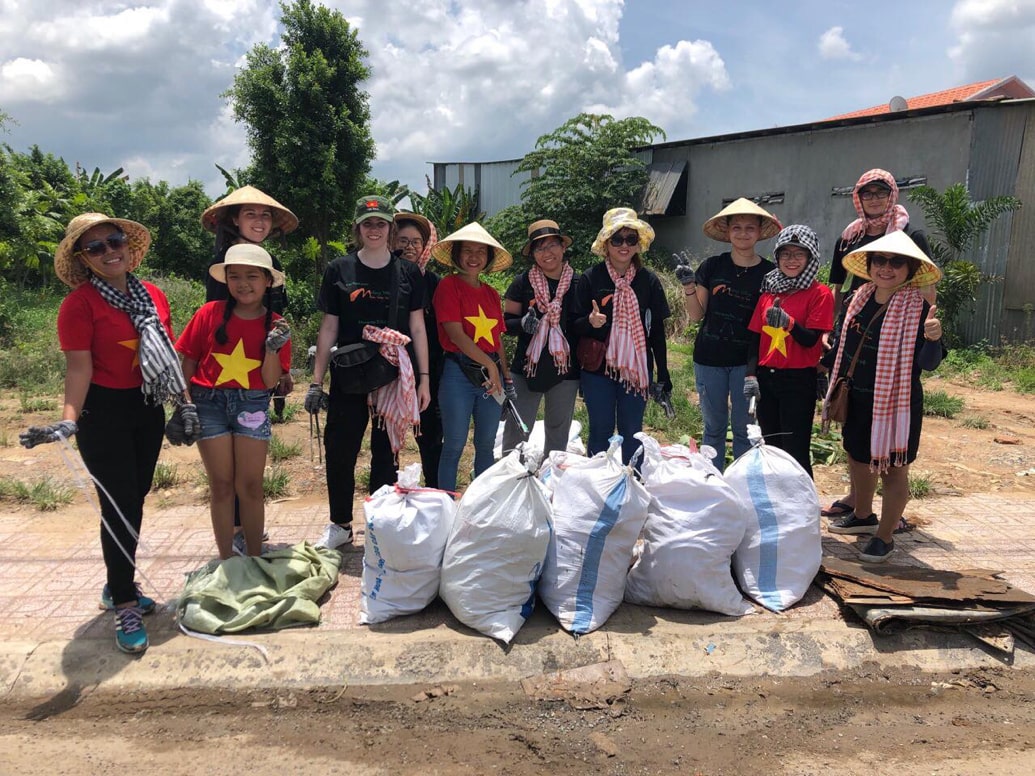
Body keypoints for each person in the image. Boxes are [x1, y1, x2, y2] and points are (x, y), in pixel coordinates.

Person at [20, 213, 195, 655]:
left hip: (147, 408)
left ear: (127, 246)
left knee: (134, 498)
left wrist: (185, 406)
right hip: (103, 415)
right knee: (117, 507)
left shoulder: (153, 295)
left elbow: (169, 357)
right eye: (95, 247)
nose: (109, 250)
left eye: (113, 240)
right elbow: (79, 367)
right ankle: (124, 601)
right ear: (84, 260)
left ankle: (116, 583)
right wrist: (68, 419)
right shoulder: (79, 305)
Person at [307, 196, 430, 550]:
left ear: (390, 229)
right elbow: (328, 327)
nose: (374, 230)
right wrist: (316, 382)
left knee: (385, 450)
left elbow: (417, 328)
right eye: (367, 223)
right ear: (358, 228)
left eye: (380, 223)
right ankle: (340, 524)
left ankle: (379, 522)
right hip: (349, 373)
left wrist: (423, 380)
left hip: (393, 372)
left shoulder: (408, 273)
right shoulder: (339, 270)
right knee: (340, 448)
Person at [821, 231, 945, 562]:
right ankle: (863, 515)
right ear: (870, 264)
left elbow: (929, 364)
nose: (886, 268)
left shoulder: (918, 308)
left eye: (896, 262)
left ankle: (885, 536)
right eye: (880, 260)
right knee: (857, 456)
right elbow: (844, 347)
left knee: (893, 469)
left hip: (895, 404)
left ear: (910, 269)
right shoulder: (857, 300)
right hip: (857, 397)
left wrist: (933, 337)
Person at [822, 169, 935, 520]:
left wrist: (928, 326)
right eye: (866, 192)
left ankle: (890, 516)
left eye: (880, 192)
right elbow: (838, 286)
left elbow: (928, 287)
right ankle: (859, 500)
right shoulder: (850, 236)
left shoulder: (909, 233)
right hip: (858, 324)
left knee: (888, 428)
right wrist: (833, 327)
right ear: (858, 197)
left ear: (892, 195)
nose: (873, 198)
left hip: (897, 327)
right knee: (855, 432)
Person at [175, 244, 291, 559]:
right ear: (225, 279)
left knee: (251, 486)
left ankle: (254, 558)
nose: (243, 283)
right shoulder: (208, 313)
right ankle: (227, 561)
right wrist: (183, 403)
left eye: (252, 276)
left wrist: (271, 348)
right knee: (222, 486)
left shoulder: (277, 325)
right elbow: (187, 360)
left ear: (268, 280)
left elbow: (270, 382)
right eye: (235, 276)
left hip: (252, 404)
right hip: (207, 402)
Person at [201, 185, 299, 554]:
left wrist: (282, 365)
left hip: (260, 365)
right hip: (228, 376)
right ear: (234, 220)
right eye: (250, 214)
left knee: (248, 466)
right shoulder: (226, 261)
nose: (259, 221)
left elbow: (273, 321)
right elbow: (217, 328)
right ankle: (238, 532)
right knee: (231, 472)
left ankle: (245, 531)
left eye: (265, 215)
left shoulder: (266, 258)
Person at [678, 198, 781, 471]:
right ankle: (712, 480)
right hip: (709, 357)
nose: (743, 233)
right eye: (737, 227)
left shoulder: (769, 273)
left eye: (750, 227)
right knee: (713, 427)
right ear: (728, 232)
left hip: (747, 362)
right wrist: (689, 286)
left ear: (759, 232)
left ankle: (742, 483)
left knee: (745, 428)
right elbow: (697, 315)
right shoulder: (713, 267)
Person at [571, 207, 671, 464]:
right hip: (597, 369)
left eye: (631, 239)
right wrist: (590, 322)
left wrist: (663, 373)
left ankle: (632, 484)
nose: (624, 245)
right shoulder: (591, 278)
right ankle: (597, 486)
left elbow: (657, 331)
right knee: (601, 431)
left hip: (636, 370)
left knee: (632, 431)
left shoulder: (648, 281)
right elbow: (573, 325)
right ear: (606, 244)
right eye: (617, 239)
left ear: (639, 245)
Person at [744, 225, 834, 478]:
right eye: (785, 254)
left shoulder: (820, 294)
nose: (791, 260)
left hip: (798, 380)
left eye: (798, 254)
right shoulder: (768, 291)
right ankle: (777, 506)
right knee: (771, 446)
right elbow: (754, 338)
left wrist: (789, 323)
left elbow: (811, 341)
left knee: (796, 450)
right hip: (767, 378)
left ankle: (802, 510)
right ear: (777, 257)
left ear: (810, 258)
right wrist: (751, 375)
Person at [430, 222, 513, 491]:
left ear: (489, 258)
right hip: (458, 373)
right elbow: (454, 334)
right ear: (456, 254)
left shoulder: (491, 293)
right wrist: (489, 364)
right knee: (454, 443)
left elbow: (496, 339)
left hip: (491, 377)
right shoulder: (448, 286)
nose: (474, 257)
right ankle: (445, 504)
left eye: (481, 251)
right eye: (467, 250)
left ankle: (483, 504)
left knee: (486, 444)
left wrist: (506, 377)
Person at [501, 219, 581, 457]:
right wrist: (523, 324)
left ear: (563, 247)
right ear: (533, 253)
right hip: (527, 367)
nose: (547, 253)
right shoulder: (522, 282)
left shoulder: (578, 283)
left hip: (565, 367)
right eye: (539, 248)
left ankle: (551, 475)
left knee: (558, 427)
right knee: (518, 426)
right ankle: (510, 473)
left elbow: (579, 325)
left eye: (552, 245)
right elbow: (506, 324)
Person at [393, 211, 444, 487]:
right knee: (388, 436)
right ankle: (387, 494)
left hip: (428, 371)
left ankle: (435, 491)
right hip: (388, 371)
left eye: (416, 241)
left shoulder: (434, 283)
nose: (410, 247)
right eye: (403, 240)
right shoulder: (382, 276)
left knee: (430, 435)